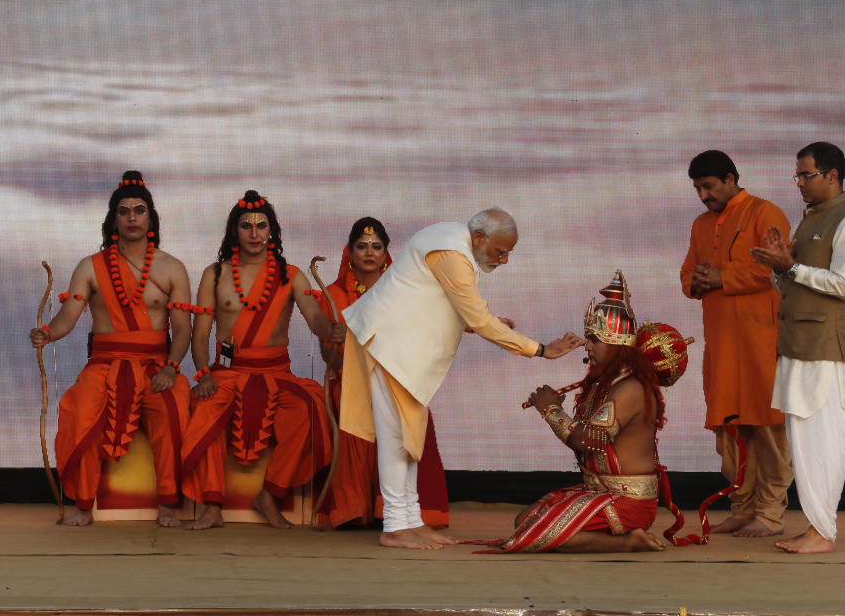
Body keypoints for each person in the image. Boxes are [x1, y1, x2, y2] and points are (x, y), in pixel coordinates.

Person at [338, 208, 583, 549]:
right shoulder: (452, 252)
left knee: (407, 436)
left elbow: (434, 299)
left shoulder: (454, 239)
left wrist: (481, 322)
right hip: (387, 344)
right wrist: (540, 349)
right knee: (397, 435)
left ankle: (409, 520)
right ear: (480, 237)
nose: (505, 260)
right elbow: (478, 319)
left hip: (398, 347)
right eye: (501, 251)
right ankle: (395, 526)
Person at [28, 170, 192, 527]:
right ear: (113, 220)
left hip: (155, 366)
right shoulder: (90, 266)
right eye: (124, 211)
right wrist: (47, 333)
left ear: (150, 217)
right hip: (104, 364)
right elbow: (68, 317)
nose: (132, 216)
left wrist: (171, 369)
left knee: (174, 409)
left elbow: (182, 329)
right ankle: (84, 506)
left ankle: (168, 504)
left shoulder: (172, 268)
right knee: (79, 411)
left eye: (139, 209)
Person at [469, 271, 668, 553]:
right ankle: (619, 538)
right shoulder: (609, 384)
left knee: (535, 536)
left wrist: (551, 410)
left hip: (626, 502)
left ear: (616, 344)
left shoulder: (631, 389)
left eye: (594, 340)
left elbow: (588, 440)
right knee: (524, 521)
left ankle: (628, 542)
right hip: (601, 492)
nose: (588, 347)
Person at [182, 191, 345, 530]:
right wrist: (203, 375)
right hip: (228, 373)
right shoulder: (214, 275)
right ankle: (212, 505)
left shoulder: (292, 275)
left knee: (311, 408)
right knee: (204, 409)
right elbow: (199, 337)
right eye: (246, 226)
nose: (254, 234)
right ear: (234, 232)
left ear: (272, 231)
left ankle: (270, 495)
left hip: (276, 373)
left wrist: (329, 328)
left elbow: (313, 316)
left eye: (261, 226)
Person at [751, 142, 845, 554]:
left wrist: (792, 267)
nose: (799, 183)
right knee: (802, 438)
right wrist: (779, 269)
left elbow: (843, 284)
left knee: (823, 440)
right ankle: (815, 526)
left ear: (832, 175)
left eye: (807, 175)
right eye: (798, 176)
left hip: (825, 349)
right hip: (798, 345)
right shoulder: (810, 220)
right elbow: (794, 283)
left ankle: (823, 531)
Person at [680, 150, 794, 537]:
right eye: (698, 188)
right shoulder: (700, 224)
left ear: (731, 179)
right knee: (727, 426)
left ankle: (771, 513)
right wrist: (697, 281)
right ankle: (742, 506)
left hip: (761, 339)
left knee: (765, 425)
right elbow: (688, 272)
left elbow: (772, 268)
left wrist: (720, 277)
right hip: (721, 341)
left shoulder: (765, 213)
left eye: (709, 186)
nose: (703, 195)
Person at [313, 217, 449, 529]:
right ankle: (354, 507)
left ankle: (397, 512)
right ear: (350, 252)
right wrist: (334, 343)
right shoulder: (332, 294)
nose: (369, 253)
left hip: (394, 380)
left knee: (409, 409)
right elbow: (327, 357)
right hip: (350, 382)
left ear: (387, 253)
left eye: (377, 246)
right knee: (351, 405)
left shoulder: (402, 291)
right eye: (362, 246)